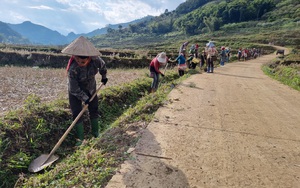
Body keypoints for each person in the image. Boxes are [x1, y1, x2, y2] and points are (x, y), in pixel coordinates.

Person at [61, 36, 108, 146]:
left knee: (94, 108)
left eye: (83, 61)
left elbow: (103, 66)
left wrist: (104, 76)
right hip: (75, 91)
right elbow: (74, 88)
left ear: (89, 58)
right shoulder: (72, 69)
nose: (80, 62)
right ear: (75, 57)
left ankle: (96, 132)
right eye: (77, 60)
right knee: (77, 112)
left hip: (90, 87)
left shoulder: (95, 60)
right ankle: (80, 138)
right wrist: (84, 98)